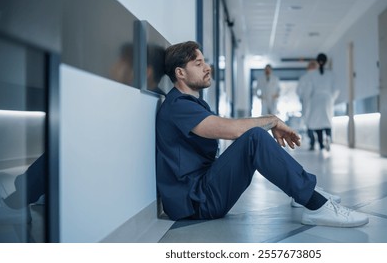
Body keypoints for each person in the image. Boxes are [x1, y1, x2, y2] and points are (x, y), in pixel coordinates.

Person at [155, 41, 368, 227]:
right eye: (198, 64)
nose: (207, 68)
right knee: (254, 137)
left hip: (201, 191)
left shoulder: (192, 103)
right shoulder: (178, 106)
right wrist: (273, 120)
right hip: (195, 202)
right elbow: (233, 130)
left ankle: (302, 190)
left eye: (204, 61)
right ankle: (316, 204)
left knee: (253, 138)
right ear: (180, 73)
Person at [297, 53, 339, 151]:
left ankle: (320, 143)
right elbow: (336, 89)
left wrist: (308, 99)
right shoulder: (331, 74)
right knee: (327, 122)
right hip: (327, 99)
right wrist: (331, 99)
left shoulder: (312, 75)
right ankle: (327, 138)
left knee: (317, 123)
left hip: (315, 100)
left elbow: (308, 90)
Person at [297, 60, 319, 150]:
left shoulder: (304, 78)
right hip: (317, 104)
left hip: (308, 103)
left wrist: (302, 98)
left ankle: (313, 142)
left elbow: (299, 91)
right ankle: (319, 141)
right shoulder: (319, 77)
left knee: (309, 124)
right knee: (317, 123)